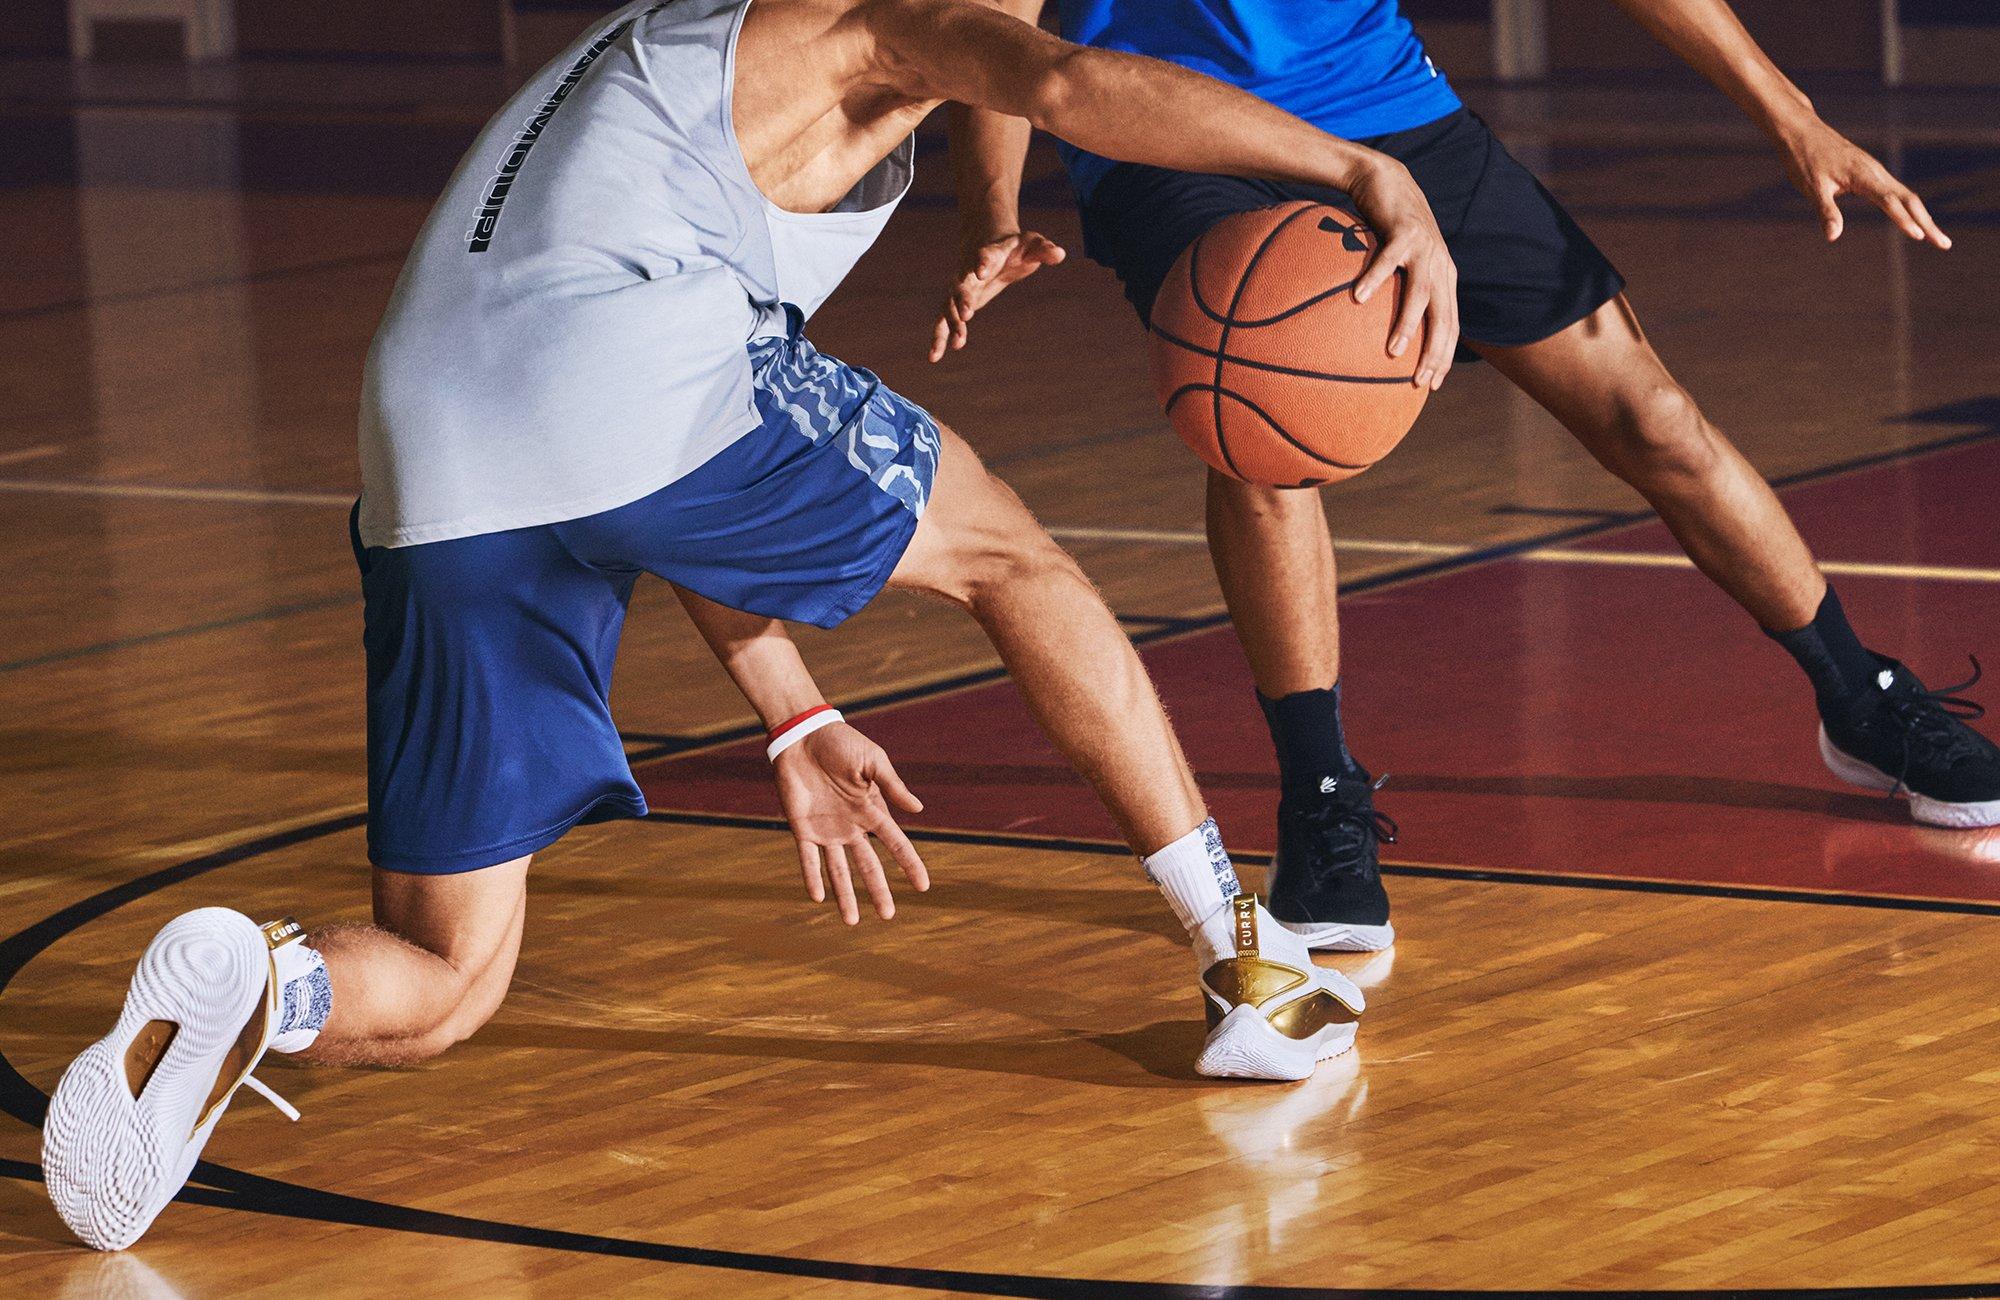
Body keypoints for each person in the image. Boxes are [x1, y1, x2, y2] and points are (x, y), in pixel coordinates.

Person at [38, 0, 1481, 1251]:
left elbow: (651, 451)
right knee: (1018, 565)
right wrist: (1359, 170)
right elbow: (1053, 83)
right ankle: (1242, 958)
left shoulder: (657, 65)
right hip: (607, 373)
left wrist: (790, 709)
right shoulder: (868, 21)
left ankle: (263, 987)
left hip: (427, 440)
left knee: (446, 981)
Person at [934, 0, 1998, 954]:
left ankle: (1859, 699)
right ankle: (1319, 795)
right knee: (1263, 434)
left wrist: (1786, 108)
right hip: (1170, 133)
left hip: (1382, 106)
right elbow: (995, 23)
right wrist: (991, 210)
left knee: (1651, 415)